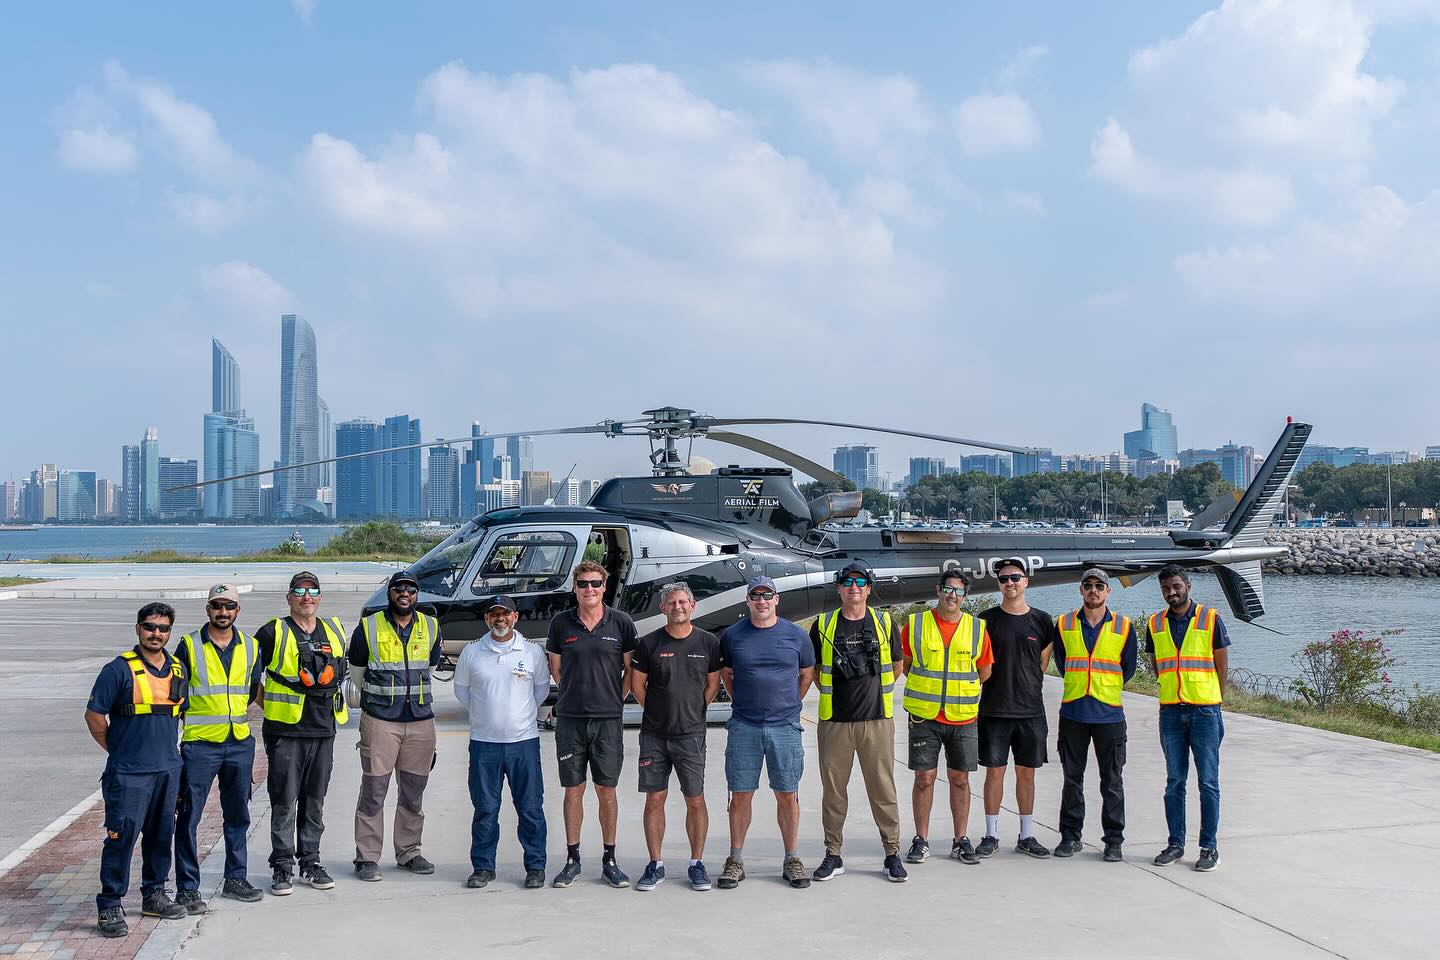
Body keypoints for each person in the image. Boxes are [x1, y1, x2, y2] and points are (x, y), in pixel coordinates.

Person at [85, 602, 189, 938]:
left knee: (161, 838)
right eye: (149, 627)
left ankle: (154, 894)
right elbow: (94, 716)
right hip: (128, 774)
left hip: (167, 771)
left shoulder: (177, 669)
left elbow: (179, 715)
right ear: (138, 629)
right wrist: (116, 750)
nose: (156, 634)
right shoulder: (116, 670)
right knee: (121, 839)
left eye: (163, 628)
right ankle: (110, 904)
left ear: (170, 632)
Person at [810, 560, 907, 882]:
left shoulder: (884, 622)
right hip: (835, 722)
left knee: (883, 790)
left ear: (869, 588)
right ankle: (833, 854)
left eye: (860, 582)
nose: (854, 587)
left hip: (876, 721)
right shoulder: (823, 624)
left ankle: (892, 852)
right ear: (839, 588)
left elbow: (896, 665)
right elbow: (813, 671)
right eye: (848, 582)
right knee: (833, 792)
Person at [172, 585, 266, 914]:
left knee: (238, 815)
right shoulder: (188, 646)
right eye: (217, 606)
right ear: (207, 608)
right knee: (188, 817)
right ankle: (187, 888)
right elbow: (176, 697)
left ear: (238, 610)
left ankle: (235, 879)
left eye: (229, 606)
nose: (222, 612)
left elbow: (257, 692)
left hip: (238, 743)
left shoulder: (252, 648)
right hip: (199, 746)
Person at [717, 576, 815, 889]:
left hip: (784, 726)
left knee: (787, 793)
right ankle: (735, 859)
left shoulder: (796, 635)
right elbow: (727, 674)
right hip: (744, 725)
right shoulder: (732, 636)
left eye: (767, 595)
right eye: (755, 596)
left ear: (777, 599)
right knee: (741, 793)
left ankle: (792, 858)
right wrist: (743, 702)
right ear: (747, 601)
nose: (761, 601)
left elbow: (806, 674)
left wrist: (788, 705)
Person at [546, 560, 638, 889]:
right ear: (574, 587)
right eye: (583, 583)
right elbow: (556, 669)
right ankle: (572, 859)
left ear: (604, 586)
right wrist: (574, 695)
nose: (589, 589)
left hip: (608, 720)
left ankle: (609, 859)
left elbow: (630, 670)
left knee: (607, 790)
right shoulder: (561, 624)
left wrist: (614, 699)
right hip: (570, 719)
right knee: (573, 790)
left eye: (596, 583)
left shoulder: (622, 622)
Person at [255, 571, 349, 895]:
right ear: (289, 597)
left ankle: (310, 861)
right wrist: (269, 705)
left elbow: (343, 673)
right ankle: (282, 867)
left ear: (320, 597)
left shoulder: (335, 630)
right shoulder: (273, 632)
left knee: (315, 801)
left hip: (324, 729)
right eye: (299, 591)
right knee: (283, 801)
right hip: (286, 731)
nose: (306, 597)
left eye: (312, 591)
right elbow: (252, 676)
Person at [348, 569, 443, 881]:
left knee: (413, 793)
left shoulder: (430, 626)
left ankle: (409, 851)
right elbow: (358, 673)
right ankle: (367, 857)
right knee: (374, 791)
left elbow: (429, 666)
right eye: (399, 589)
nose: (405, 594)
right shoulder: (368, 627)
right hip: (380, 721)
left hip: (419, 722)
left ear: (417, 595)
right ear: (390, 593)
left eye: (411, 590)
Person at [630, 582, 724, 892]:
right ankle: (655, 863)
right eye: (671, 603)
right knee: (654, 799)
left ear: (693, 606)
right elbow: (637, 685)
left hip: (691, 735)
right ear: (662, 608)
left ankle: (696, 863)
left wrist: (694, 711)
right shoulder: (649, 644)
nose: (678, 607)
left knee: (694, 799)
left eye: (683, 602)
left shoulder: (708, 643)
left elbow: (713, 684)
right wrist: (658, 712)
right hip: (654, 736)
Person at [454, 595, 550, 890]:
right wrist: (489, 718)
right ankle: (483, 867)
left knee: (531, 808)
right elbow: (463, 693)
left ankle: (535, 866)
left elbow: (541, 691)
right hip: (485, 744)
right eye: (494, 614)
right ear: (487, 618)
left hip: (523, 742)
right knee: (485, 809)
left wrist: (514, 720)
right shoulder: (471, 653)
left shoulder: (532, 652)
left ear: (515, 617)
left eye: (505, 614)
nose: (500, 619)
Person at [901, 570, 993, 867]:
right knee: (924, 779)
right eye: (948, 589)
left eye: (959, 591)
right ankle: (921, 839)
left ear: (965, 596)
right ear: (937, 590)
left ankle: (960, 839)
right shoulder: (915, 624)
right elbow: (906, 664)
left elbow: (985, 670)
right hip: (924, 716)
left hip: (963, 716)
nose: (952, 596)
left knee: (960, 779)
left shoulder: (977, 628)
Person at [1148, 565, 1230, 873]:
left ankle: (1209, 847)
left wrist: (1212, 698)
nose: (1172, 592)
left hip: (1205, 711)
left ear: (1188, 585)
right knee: (1174, 782)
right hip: (1170, 710)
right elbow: (1157, 666)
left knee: (1208, 782)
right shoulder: (1155, 623)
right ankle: (1175, 843)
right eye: (1166, 588)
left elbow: (1222, 666)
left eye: (1176, 586)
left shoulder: (1211, 619)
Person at [1052, 569, 1137, 863]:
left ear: (1108, 592)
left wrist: (1103, 687)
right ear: (1081, 590)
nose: (1093, 590)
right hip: (1074, 711)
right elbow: (1062, 662)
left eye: (1099, 586)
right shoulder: (1064, 624)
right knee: (1071, 779)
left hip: (1109, 714)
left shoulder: (1124, 627)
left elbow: (1129, 668)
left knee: (1112, 781)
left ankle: (1113, 840)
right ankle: (1070, 836)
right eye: (1088, 585)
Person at [976, 558, 1059, 859]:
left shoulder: (1042, 620)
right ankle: (991, 834)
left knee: (1027, 775)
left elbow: (1042, 664)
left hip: (1031, 711)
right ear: (998, 584)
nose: (1009, 583)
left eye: (1015, 577)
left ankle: (1027, 834)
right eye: (1003, 579)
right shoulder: (985, 619)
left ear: (1027, 582)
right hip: (994, 710)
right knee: (994, 774)